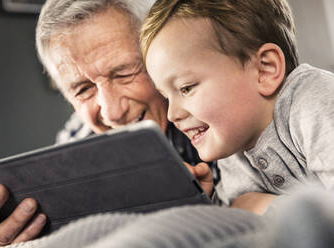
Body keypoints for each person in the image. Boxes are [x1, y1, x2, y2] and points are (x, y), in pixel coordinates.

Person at [0, 1, 214, 247]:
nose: (113, 113)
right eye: (83, 89)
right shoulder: (75, 142)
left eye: (124, 73)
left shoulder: (217, 116)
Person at [140, 0, 334, 214]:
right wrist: (204, 203)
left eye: (186, 88)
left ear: (265, 70)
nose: (172, 114)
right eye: (166, 97)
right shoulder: (233, 149)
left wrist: (260, 206)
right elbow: (236, 224)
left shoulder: (315, 100)